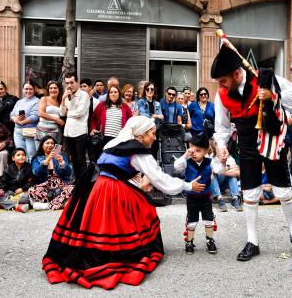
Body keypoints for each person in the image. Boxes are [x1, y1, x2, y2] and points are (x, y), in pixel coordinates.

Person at [41, 116, 206, 289]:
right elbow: (160, 179)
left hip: (95, 187)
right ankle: (117, 253)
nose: (155, 138)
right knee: (141, 208)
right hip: (112, 190)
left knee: (93, 223)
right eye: (152, 133)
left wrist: (132, 178)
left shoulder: (113, 144)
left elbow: (114, 167)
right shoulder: (138, 152)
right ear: (141, 135)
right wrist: (188, 185)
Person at [211, 44, 292, 261]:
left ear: (237, 73)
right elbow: (222, 127)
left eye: (223, 80)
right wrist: (222, 146)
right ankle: (252, 241)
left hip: (272, 140)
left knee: (283, 192)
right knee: (251, 194)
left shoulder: (263, 79)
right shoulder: (222, 94)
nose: (221, 86)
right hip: (246, 145)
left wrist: (273, 94)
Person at [174, 131, 217, 254]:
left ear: (205, 151)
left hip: (206, 197)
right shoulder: (186, 162)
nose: (194, 153)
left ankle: (210, 240)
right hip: (192, 197)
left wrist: (222, 159)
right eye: (192, 150)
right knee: (192, 220)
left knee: (209, 219)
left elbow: (219, 167)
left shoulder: (210, 162)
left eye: (198, 151)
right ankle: (189, 242)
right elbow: (177, 167)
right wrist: (185, 155)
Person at [28, 136, 73, 210]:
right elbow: (36, 173)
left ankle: (47, 206)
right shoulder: (36, 158)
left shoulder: (61, 156)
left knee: (72, 188)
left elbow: (68, 173)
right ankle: (60, 203)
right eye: (47, 143)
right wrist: (47, 161)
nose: (50, 145)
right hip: (45, 187)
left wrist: (61, 162)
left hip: (61, 186)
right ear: (42, 145)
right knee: (32, 190)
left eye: (52, 143)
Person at [60, 72, 90, 181]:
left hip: (80, 132)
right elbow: (62, 113)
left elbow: (80, 112)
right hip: (68, 132)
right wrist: (63, 99)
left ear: (77, 82)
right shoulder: (67, 95)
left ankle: (84, 183)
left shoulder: (84, 95)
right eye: (67, 83)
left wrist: (69, 113)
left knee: (81, 160)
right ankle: (77, 181)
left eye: (72, 82)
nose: (69, 85)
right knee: (73, 160)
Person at [0, 148, 34, 213]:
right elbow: (4, 183)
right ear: (13, 158)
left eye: (23, 155)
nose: (21, 156)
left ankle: (1, 204)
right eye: (18, 155)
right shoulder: (8, 169)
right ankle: (17, 207)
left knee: (27, 199)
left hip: (24, 192)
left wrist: (22, 189)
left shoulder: (30, 167)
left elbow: (32, 182)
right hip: (11, 192)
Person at [210, 139, 242, 212]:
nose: (222, 152)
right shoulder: (211, 158)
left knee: (232, 176)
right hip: (213, 184)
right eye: (220, 149)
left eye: (224, 149)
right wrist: (227, 169)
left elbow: (238, 172)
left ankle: (235, 198)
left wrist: (222, 171)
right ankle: (220, 199)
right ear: (216, 149)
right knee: (212, 175)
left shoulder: (230, 158)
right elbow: (210, 171)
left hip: (224, 184)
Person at [10, 82, 39, 161]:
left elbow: (35, 116)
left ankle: (31, 172)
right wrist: (15, 119)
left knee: (31, 154)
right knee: (21, 155)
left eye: (30, 89)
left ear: (34, 90)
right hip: (18, 132)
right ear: (23, 90)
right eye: (26, 89)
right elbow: (12, 114)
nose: (28, 91)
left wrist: (23, 122)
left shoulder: (37, 101)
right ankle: (23, 173)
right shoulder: (19, 102)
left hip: (30, 131)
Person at [137, 81, 163, 157]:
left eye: (152, 89)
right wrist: (155, 116)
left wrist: (156, 117)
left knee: (154, 152)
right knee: (145, 152)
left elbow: (161, 118)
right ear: (145, 90)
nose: (150, 91)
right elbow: (143, 115)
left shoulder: (157, 103)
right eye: (147, 89)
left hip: (155, 131)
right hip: (145, 131)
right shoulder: (141, 102)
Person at [35, 80, 64, 146]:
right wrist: (56, 119)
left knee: (56, 152)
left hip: (56, 131)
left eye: (55, 88)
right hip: (42, 130)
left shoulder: (61, 101)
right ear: (48, 90)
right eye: (51, 88)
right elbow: (40, 113)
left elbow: (63, 113)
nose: (53, 90)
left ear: (59, 90)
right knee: (40, 153)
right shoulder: (44, 99)